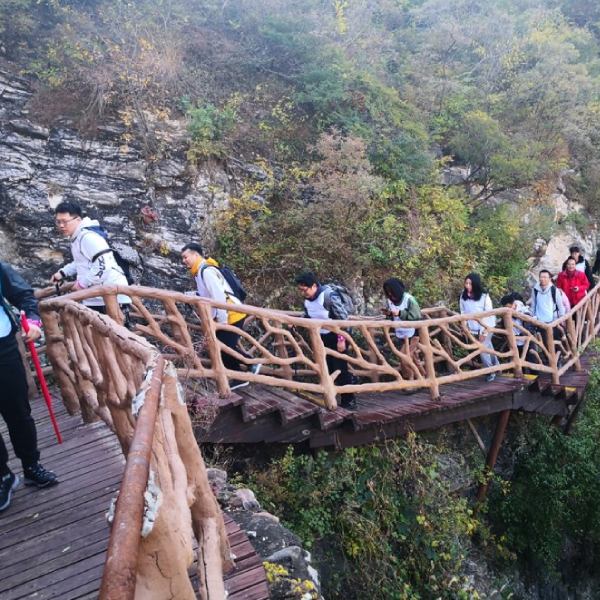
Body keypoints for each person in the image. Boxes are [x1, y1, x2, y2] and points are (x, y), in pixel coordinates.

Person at [0, 262, 58, 512]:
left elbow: (22, 292)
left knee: (18, 412)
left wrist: (33, 321)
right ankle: (3, 475)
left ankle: (31, 465)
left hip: (3, 349)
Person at [181, 243, 259, 391]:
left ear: (196, 255)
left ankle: (242, 374)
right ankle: (251, 364)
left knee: (223, 348)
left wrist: (222, 322)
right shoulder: (199, 272)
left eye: (185, 257)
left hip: (231, 314)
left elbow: (218, 297)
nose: (184, 260)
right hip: (228, 314)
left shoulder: (206, 271)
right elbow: (207, 294)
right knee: (226, 346)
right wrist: (191, 295)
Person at [50, 201, 131, 319]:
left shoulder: (88, 237)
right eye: (58, 222)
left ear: (78, 220)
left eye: (65, 221)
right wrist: (62, 273)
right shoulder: (77, 238)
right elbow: (82, 261)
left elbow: (103, 264)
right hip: (97, 296)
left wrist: (83, 283)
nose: (61, 225)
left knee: (117, 334)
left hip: (111, 295)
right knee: (99, 335)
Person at [295, 272, 357, 410]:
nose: (303, 293)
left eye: (304, 289)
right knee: (326, 367)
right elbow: (310, 314)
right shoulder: (307, 300)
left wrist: (341, 340)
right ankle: (331, 396)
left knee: (340, 368)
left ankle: (349, 400)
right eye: (300, 290)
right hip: (321, 337)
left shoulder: (329, 296)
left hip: (337, 336)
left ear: (314, 286)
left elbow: (343, 319)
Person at [459, 273, 499, 382]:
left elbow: (488, 315)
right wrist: (464, 326)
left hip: (487, 326)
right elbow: (463, 311)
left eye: (470, 284)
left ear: (475, 284)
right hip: (472, 327)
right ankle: (497, 366)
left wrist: (484, 332)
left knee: (482, 350)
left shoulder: (484, 297)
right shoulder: (463, 295)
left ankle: (490, 371)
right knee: (488, 347)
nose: (467, 286)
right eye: (466, 283)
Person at [382, 278, 423, 380]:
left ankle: (411, 380)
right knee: (413, 358)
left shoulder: (409, 299)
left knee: (404, 358)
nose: (390, 294)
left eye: (391, 291)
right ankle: (424, 376)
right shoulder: (390, 301)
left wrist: (400, 313)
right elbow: (393, 316)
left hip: (412, 334)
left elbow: (416, 316)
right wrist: (389, 314)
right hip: (401, 333)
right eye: (388, 292)